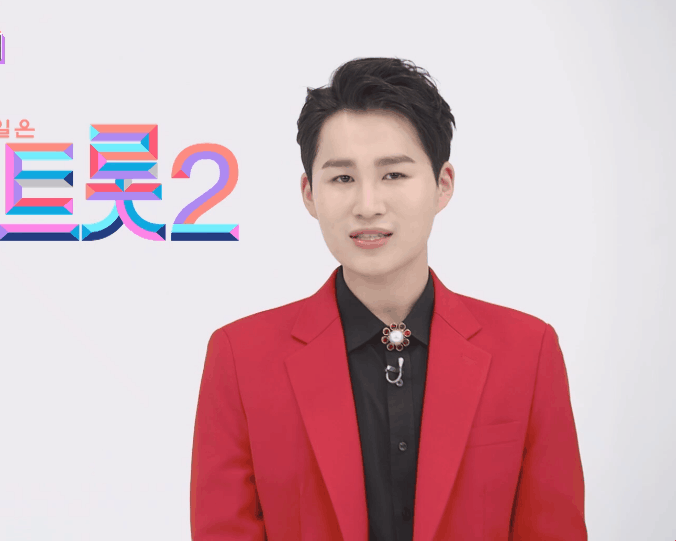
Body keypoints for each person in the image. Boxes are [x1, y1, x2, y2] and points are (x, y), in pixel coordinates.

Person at [189, 57, 586, 541]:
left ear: (442, 185)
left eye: (394, 175)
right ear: (309, 194)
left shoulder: (527, 350)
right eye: (342, 178)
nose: (368, 205)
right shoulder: (240, 357)